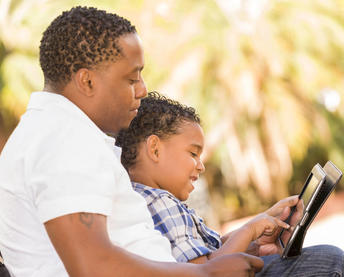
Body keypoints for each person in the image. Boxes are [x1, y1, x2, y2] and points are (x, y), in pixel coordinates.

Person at [0, 6, 264, 277]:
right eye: (131, 78)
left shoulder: (53, 132)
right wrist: (207, 274)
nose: (142, 89)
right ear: (87, 81)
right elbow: (92, 266)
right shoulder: (63, 140)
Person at [116, 92, 344, 276]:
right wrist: (249, 231)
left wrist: (256, 237)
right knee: (331, 261)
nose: (201, 166)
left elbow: (211, 251)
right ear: (155, 149)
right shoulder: (160, 203)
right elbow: (209, 270)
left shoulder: (149, 199)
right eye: (193, 154)